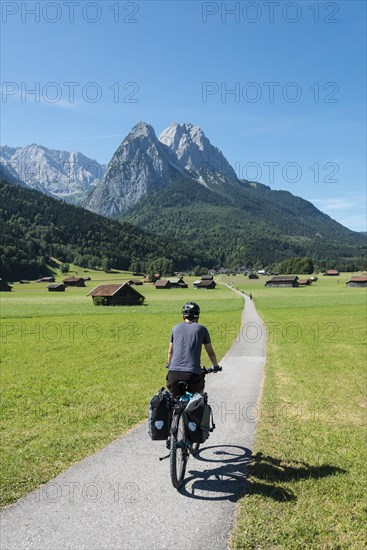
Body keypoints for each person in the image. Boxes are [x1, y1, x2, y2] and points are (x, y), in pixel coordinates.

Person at [166, 302, 220, 397]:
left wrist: (169, 364)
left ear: (183, 316)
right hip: (193, 374)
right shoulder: (201, 329)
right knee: (198, 400)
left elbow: (170, 351)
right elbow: (210, 352)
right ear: (197, 316)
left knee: (174, 402)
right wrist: (215, 366)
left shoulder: (175, 328)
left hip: (173, 375)